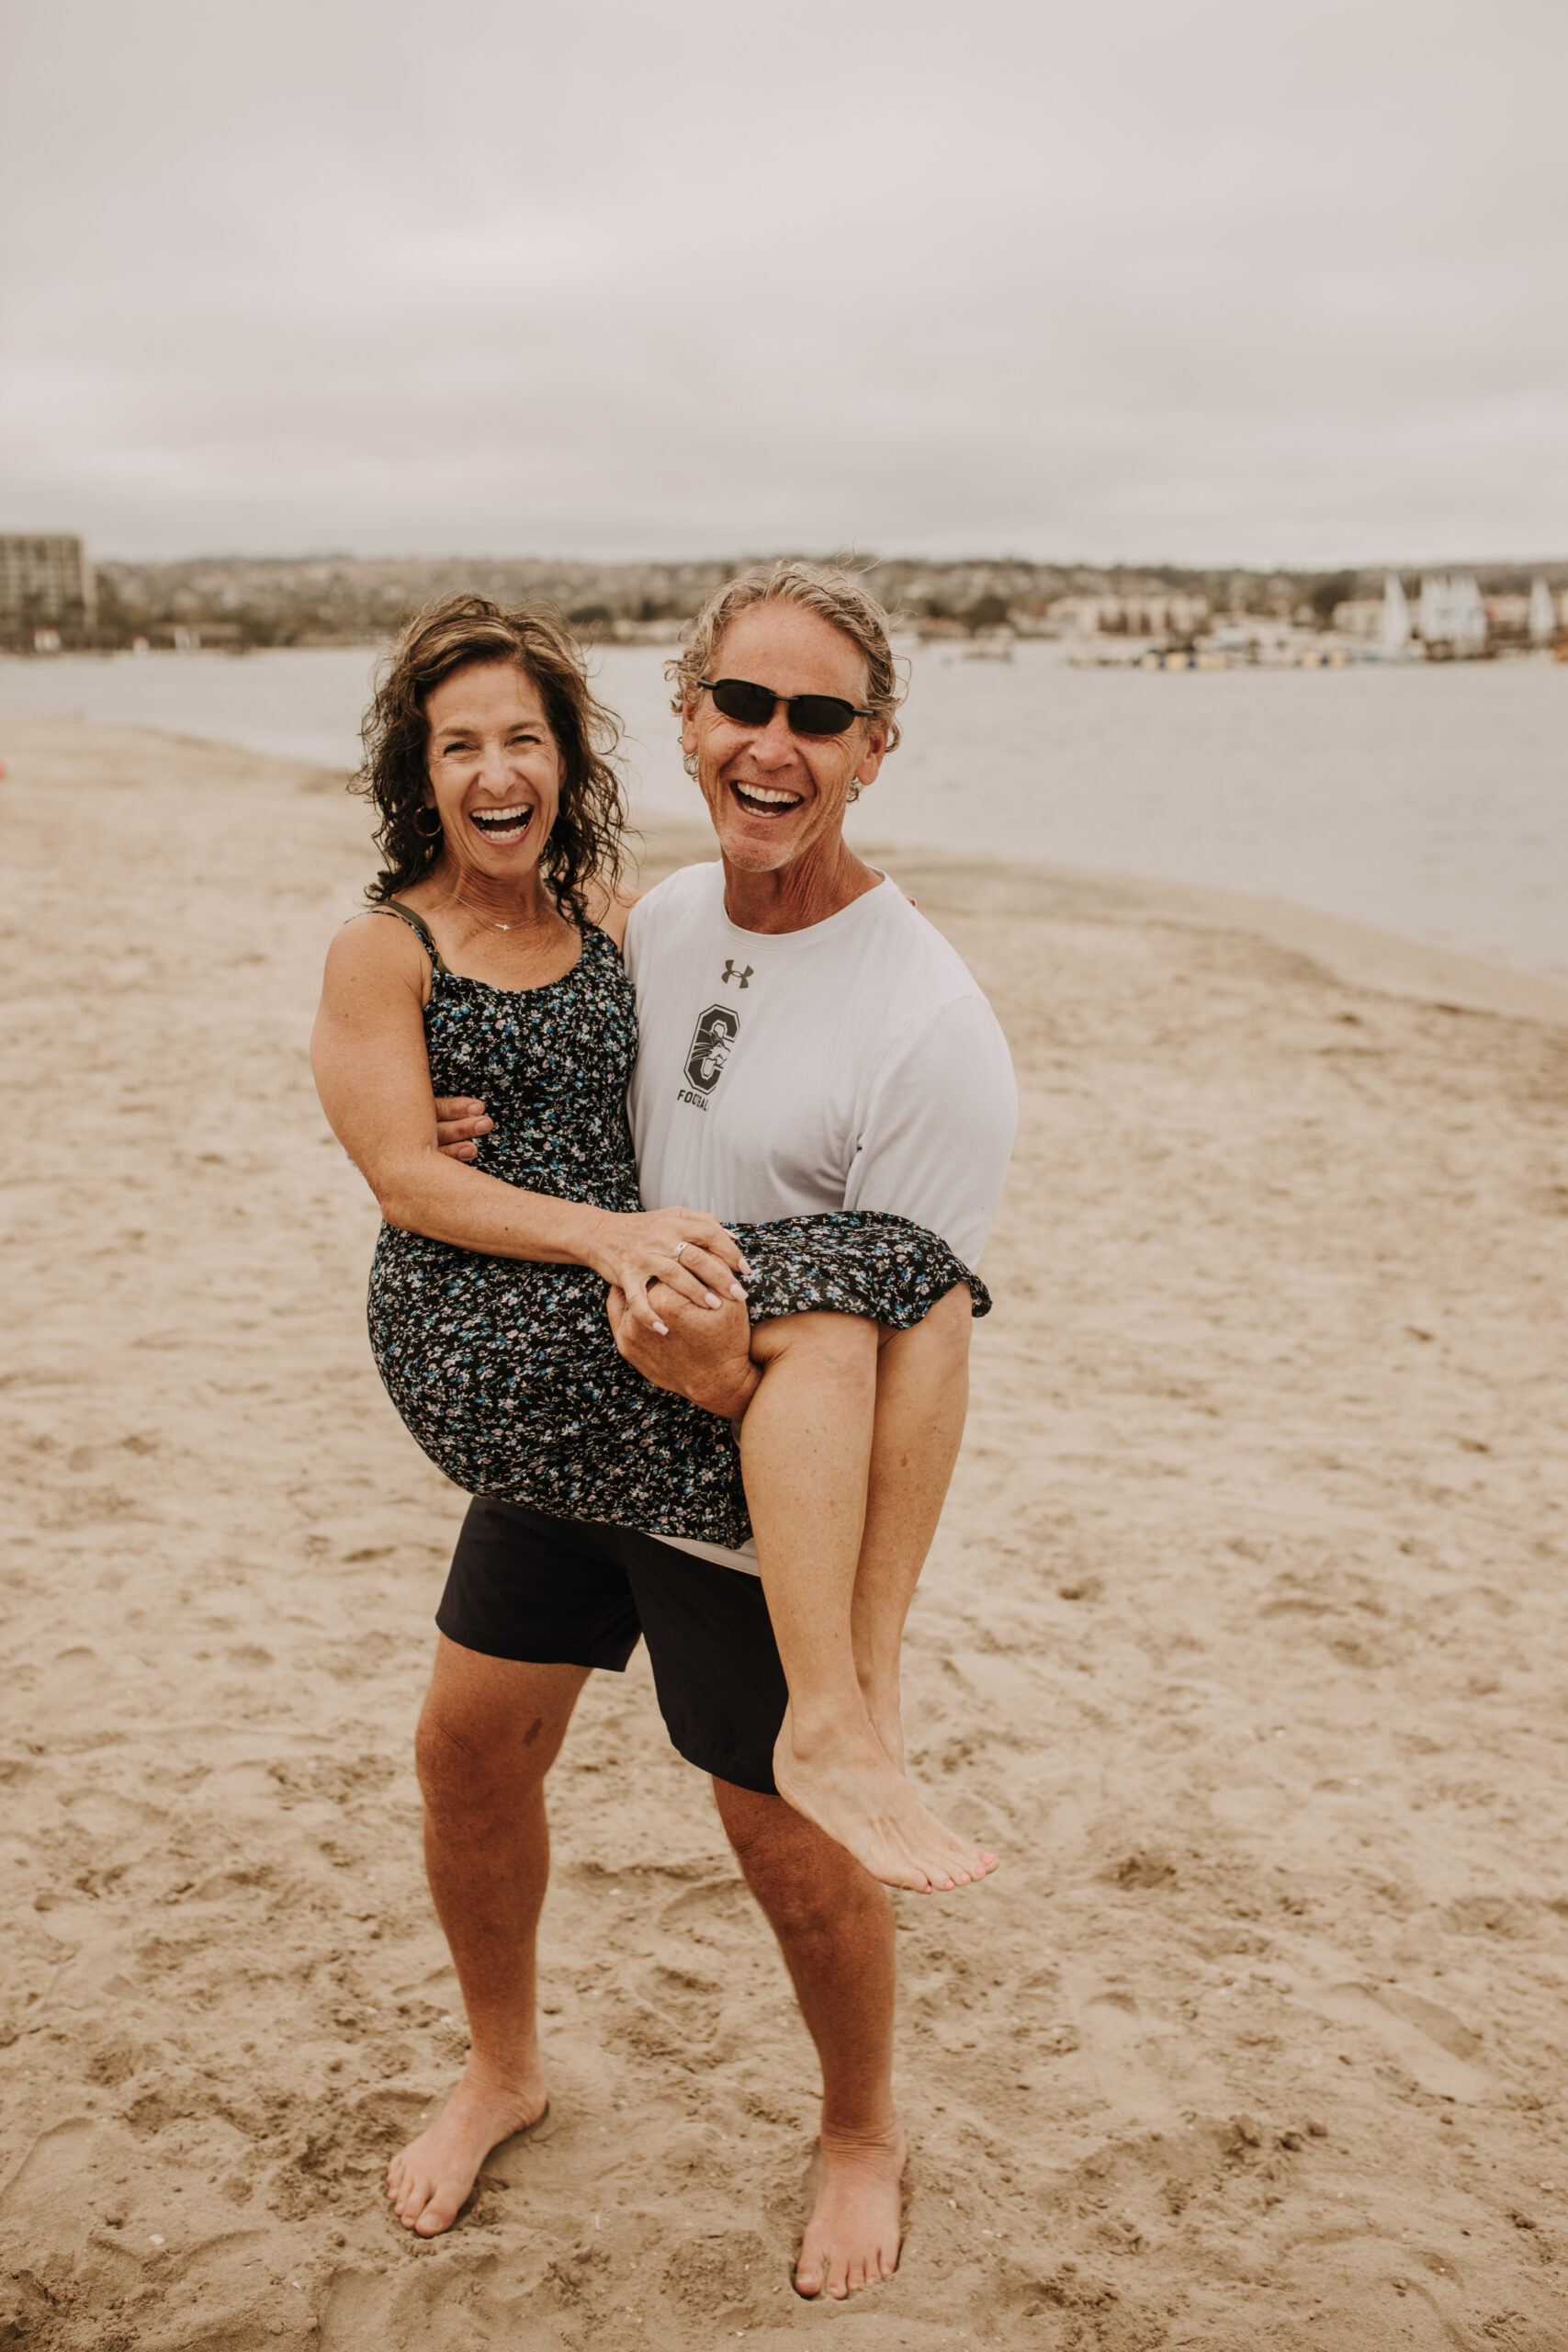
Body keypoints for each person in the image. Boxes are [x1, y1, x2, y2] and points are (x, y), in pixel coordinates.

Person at [313, 569, 1017, 2290]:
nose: (775, 746)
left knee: (787, 1837)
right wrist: (457, 1107)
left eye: (820, 718)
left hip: (735, 1461)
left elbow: (916, 1337)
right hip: (577, 1396)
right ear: (690, 715)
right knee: (468, 1754)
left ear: (874, 749)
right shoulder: (662, 920)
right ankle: (504, 2065)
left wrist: (732, 1398)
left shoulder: (929, 1021)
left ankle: (861, 2128)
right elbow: (504, 1047)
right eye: (745, 708)